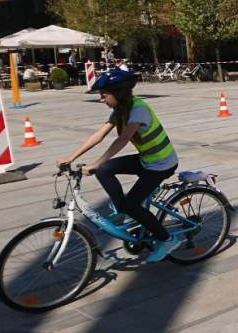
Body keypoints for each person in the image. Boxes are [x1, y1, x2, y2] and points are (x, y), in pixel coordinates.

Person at [57, 69, 181, 262]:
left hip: (162, 164)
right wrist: (70, 158)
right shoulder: (121, 110)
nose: (101, 99)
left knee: (132, 204)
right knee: (105, 170)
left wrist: (96, 163)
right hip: (147, 160)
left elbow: (122, 140)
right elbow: (98, 135)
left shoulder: (138, 109)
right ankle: (123, 212)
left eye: (104, 95)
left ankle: (167, 239)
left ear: (119, 93)